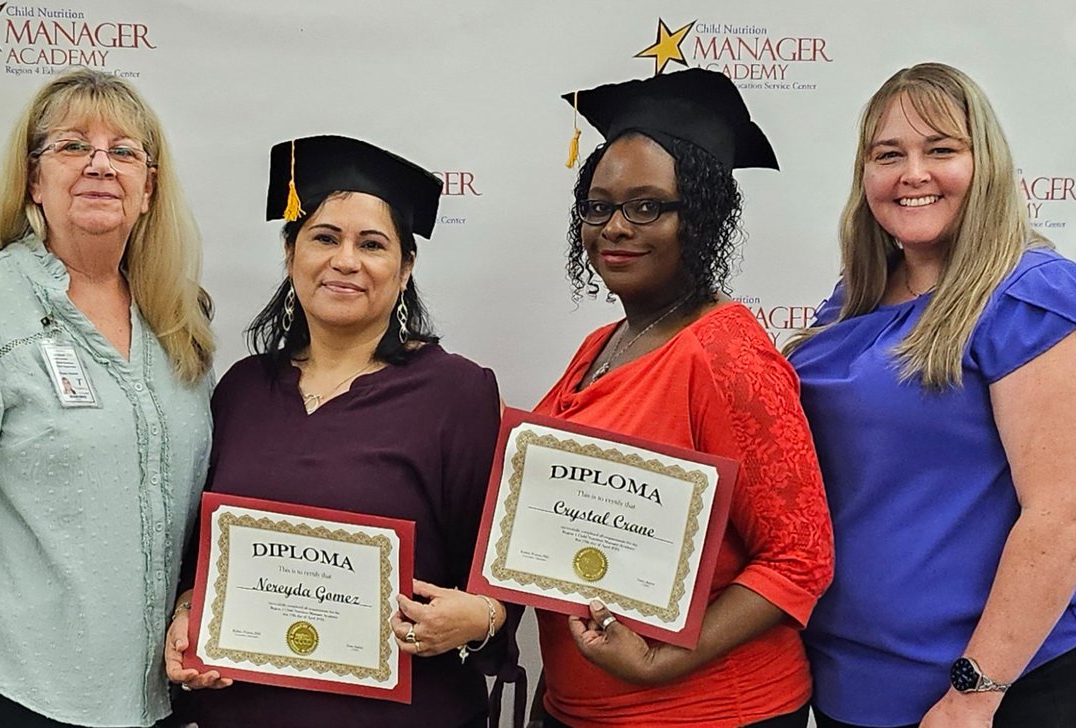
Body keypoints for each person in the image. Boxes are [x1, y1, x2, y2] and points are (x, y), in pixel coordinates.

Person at [0, 69, 214, 728]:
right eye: (70, 146)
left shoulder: (180, 322)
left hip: (152, 699)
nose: (99, 165)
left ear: (149, 188)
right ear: (33, 180)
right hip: (7, 691)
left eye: (123, 151)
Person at [165, 135, 522, 728]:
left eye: (373, 244)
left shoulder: (456, 395)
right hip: (242, 711)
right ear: (290, 252)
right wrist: (186, 614)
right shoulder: (242, 389)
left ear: (405, 268)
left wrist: (481, 617)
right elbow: (200, 556)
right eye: (324, 238)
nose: (346, 261)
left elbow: (499, 575)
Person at [531, 69, 834, 727]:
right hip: (582, 707)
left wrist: (660, 661)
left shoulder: (725, 353)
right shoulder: (602, 343)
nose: (615, 226)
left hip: (704, 711)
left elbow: (799, 558)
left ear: (699, 216)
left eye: (646, 206)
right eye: (599, 204)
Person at [786, 62, 1076, 728]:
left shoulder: (1031, 297)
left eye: (940, 150)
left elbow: (1059, 518)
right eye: (889, 155)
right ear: (865, 178)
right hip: (845, 682)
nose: (912, 173)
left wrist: (975, 694)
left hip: (985, 696)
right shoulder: (850, 304)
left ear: (986, 164)